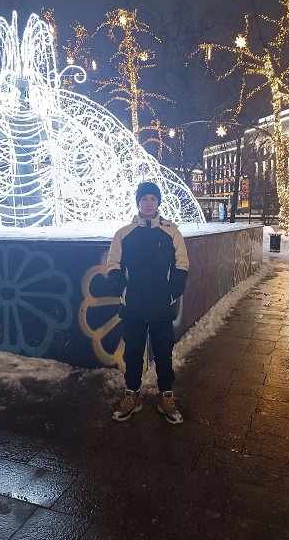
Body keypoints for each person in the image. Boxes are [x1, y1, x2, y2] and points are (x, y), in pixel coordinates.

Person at [107, 181, 189, 424]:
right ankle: (132, 395)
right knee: (133, 354)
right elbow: (113, 265)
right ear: (138, 202)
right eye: (144, 199)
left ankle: (166, 397)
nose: (148, 203)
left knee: (163, 354)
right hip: (133, 306)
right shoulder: (123, 234)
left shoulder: (171, 232)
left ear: (159, 202)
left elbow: (182, 265)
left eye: (153, 198)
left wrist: (172, 293)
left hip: (161, 306)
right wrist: (123, 290)